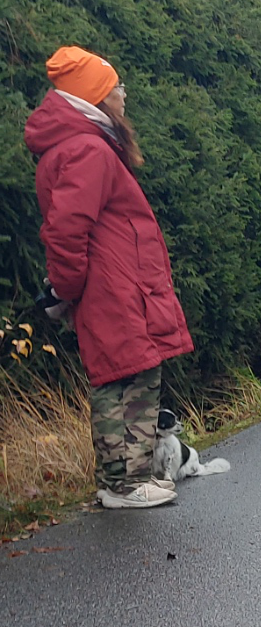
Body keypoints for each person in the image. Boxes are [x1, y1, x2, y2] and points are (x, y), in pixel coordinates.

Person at [25, 45, 193, 508]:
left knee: (129, 373)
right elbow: (66, 231)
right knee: (126, 378)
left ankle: (127, 478)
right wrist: (66, 287)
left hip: (116, 286)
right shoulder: (88, 150)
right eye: (115, 86)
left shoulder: (83, 146)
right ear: (95, 98)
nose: (124, 93)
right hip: (114, 289)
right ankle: (124, 483)